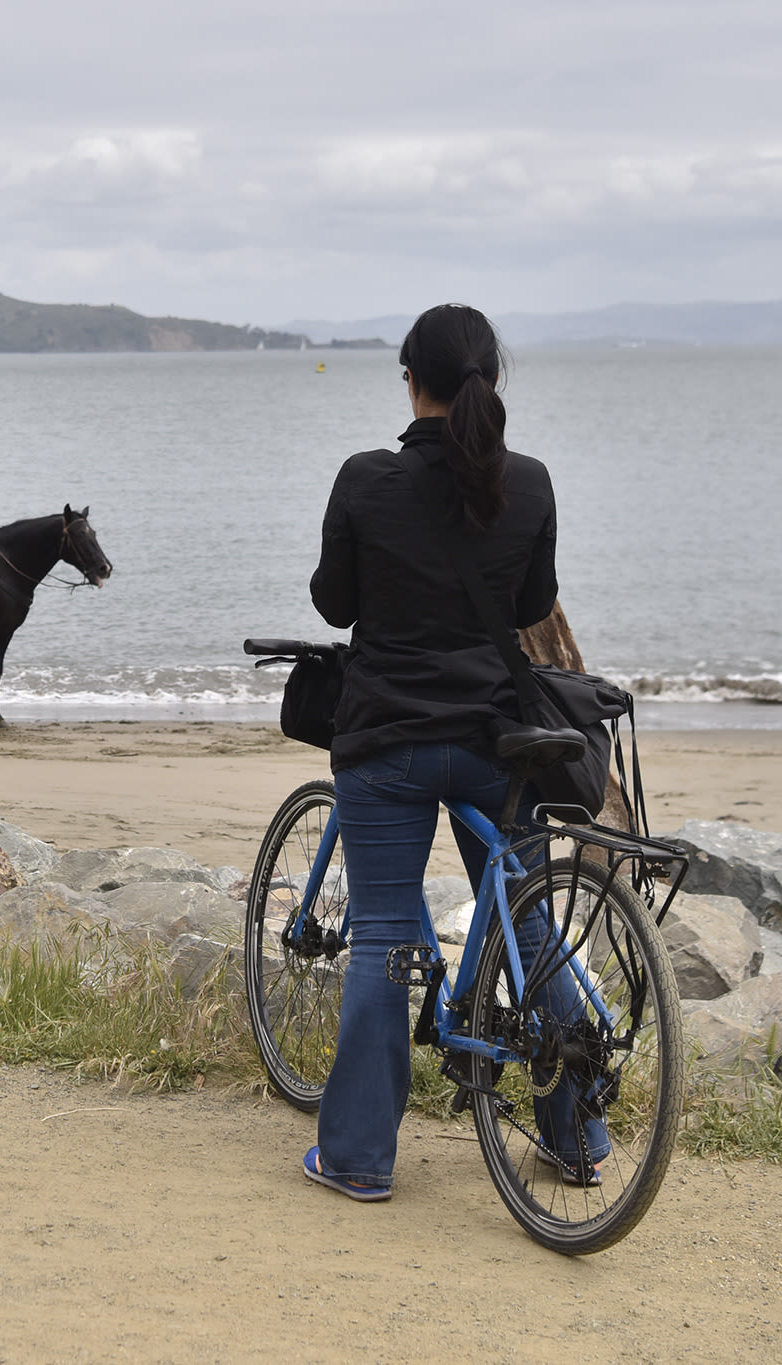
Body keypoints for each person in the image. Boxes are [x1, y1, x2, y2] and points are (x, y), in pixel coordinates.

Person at [303, 303, 572, 1201]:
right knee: (530, 921)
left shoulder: (366, 478)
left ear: (408, 378)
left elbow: (334, 605)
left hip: (388, 742)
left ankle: (357, 1159)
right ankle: (576, 1135)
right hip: (502, 745)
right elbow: (532, 603)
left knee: (382, 935)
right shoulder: (529, 482)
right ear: (491, 380)